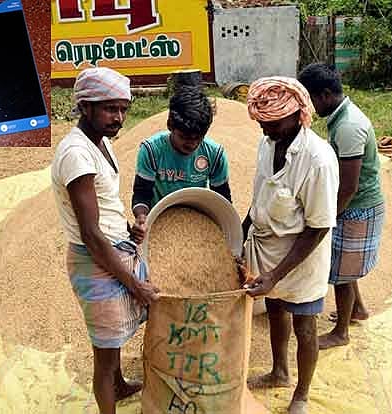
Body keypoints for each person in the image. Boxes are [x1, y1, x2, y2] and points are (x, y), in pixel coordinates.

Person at [50, 67, 159, 414]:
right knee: (105, 353)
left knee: (115, 339)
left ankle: (120, 385)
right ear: (85, 107)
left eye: (123, 109)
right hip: (96, 260)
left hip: (115, 249)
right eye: (110, 109)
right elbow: (91, 235)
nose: (119, 117)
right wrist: (134, 285)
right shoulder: (76, 154)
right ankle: (109, 398)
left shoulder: (102, 142)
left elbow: (105, 205)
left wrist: (128, 229)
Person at [242, 77, 339, 414]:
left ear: (299, 115)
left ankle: (302, 394)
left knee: (305, 326)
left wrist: (276, 275)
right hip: (269, 249)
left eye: (274, 123)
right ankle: (279, 371)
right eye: (262, 122)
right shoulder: (268, 143)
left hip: (303, 255)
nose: (266, 129)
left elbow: (319, 226)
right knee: (275, 310)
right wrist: (240, 236)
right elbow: (260, 198)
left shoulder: (317, 160)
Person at [298, 63, 385, 350]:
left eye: (310, 99)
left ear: (324, 95)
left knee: (341, 274)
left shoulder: (348, 127)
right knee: (345, 264)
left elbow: (349, 186)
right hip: (353, 203)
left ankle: (341, 332)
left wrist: (327, 217)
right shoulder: (341, 117)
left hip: (357, 206)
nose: (308, 107)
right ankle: (357, 309)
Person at [131, 86, 231, 236]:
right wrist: (141, 217)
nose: (192, 144)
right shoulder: (151, 150)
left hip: (197, 222)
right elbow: (141, 193)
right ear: (170, 125)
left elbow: (222, 199)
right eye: (184, 137)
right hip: (159, 221)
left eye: (199, 138)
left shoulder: (214, 154)